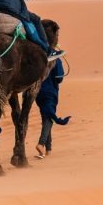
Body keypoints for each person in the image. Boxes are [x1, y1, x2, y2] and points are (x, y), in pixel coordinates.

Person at [35, 20, 70, 158]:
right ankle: (41, 144)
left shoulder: (37, 55)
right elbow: (59, 78)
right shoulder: (56, 58)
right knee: (49, 118)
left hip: (38, 93)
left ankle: (48, 150)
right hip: (50, 92)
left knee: (46, 116)